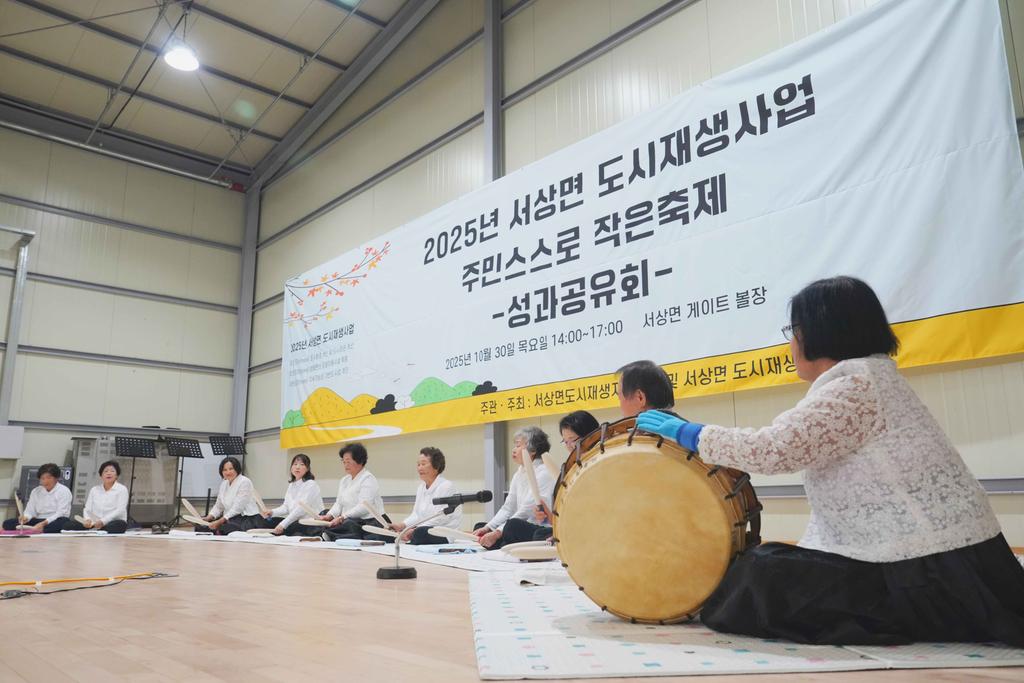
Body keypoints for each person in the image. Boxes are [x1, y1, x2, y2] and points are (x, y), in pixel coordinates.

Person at [638, 276, 1024, 646]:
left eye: (794, 332)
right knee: (766, 567)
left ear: (819, 333)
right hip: (945, 560)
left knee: (759, 578)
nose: (791, 344)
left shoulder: (855, 386)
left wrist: (690, 433)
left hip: (927, 571)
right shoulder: (869, 378)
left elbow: (773, 449)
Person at [474, 427, 555, 548]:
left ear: (532, 451)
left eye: (518, 445)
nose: (513, 450)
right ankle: (502, 541)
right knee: (480, 526)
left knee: (512, 526)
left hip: (540, 528)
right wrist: (488, 527)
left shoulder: (544, 472)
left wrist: (497, 533)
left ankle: (502, 541)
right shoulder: (519, 473)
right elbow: (508, 508)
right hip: (520, 525)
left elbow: (525, 511)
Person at [388, 447, 463, 545]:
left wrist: (414, 529)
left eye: (423, 464)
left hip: (444, 533)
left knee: (419, 533)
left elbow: (441, 518)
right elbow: (416, 515)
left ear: (436, 466)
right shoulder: (421, 488)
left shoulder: (446, 486)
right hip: (425, 529)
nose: (419, 468)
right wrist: (402, 525)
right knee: (392, 533)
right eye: (418, 464)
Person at [320, 443, 389, 541]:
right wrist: (329, 516)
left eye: (348, 461)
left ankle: (330, 535)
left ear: (359, 460)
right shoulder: (344, 480)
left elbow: (364, 507)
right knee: (325, 516)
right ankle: (330, 534)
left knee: (349, 525)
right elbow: (339, 503)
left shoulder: (368, 478)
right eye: (343, 462)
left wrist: (342, 517)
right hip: (348, 519)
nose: (345, 465)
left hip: (369, 521)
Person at [194, 457, 263, 535]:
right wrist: (208, 518)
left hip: (247, 519)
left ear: (237, 469)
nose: (228, 472)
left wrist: (220, 521)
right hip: (229, 518)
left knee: (226, 528)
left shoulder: (244, 482)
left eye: (231, 469)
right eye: (225, 470)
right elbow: (219, 506)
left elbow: (238, 508)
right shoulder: (224, 483)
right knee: (200, 527)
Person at [262, 454, 323, 536]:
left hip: (310, 523)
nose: (297, 467)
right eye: (295, 464)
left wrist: (283, 524)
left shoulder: (311, 484)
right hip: (296, 521)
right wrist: (272, 512)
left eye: (302, 464)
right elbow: (286, 507)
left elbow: (301, 510)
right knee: (266, 522)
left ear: (307, 469)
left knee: (290, 527)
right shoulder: (292, 485)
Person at [3, 463, 71, 533]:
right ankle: (36, 529)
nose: (45, 481)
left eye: (49, 478)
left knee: (64, 522)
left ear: (56, 478)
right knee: (8, 523)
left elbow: (61, 513)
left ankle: (38, 529)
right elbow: (30, 511)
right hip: (39, 520)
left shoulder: (64, 491)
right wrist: (25, 517)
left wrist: (44, 523)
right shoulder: (36, 491)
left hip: (54, 520)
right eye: (42, 478)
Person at [63, 461, 128, 533]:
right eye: (105, 471)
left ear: (116, 475)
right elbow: (87, 509)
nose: (109, 473)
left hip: (112, 522)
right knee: (67, 525)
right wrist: (87, 520)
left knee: (119, 525)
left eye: (112, 471)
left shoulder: (122, 489)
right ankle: (96, 528)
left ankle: (99, 528)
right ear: (101, 475)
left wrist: (103, 521)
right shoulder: (94, 490)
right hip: (94, 522)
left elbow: (120, 510)